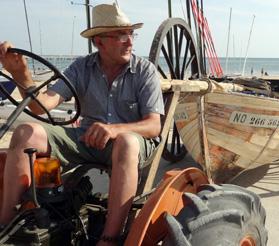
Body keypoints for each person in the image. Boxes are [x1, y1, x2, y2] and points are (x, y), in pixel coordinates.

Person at [0, 3, 164, 245]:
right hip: (87, 139)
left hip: (130, 145)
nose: (129, 41)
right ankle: (6, 223)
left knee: (127, 143)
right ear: (99, 42)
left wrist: (114, 130)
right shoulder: (82, 67)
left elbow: (154, 126)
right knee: (26, 133)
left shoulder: (144, 71)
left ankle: (109, 238)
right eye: (120, 35)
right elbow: (41, 106)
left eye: (130, 34)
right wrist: (22, 75)